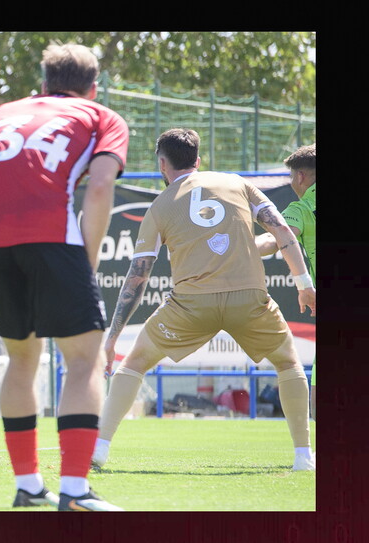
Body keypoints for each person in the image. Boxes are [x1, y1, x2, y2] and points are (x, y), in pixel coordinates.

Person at [0, 42, 128, 511]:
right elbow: (101, 185)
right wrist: (87, 257)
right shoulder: (102, 116)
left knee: (21, 359)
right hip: (51, 235)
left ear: (42, 83)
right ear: (93, 86)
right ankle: (75, 490)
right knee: (84, 361)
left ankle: (28, 485)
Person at [92, 129, 316, 473]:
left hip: (190, 306)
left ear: (162, 164)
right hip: (249, 300)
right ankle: (304, 456)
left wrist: (112, 338)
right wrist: (303, 285)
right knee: (288, 365)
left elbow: (138, 275)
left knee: (133, 362)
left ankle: (100, 448)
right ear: (199, 160)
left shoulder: (159, 206)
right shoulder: (237, 183)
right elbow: (283, 233)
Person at [255, 144, 315, 418]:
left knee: (317, 405)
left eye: (292, 176)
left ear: (300, 177)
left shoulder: (302, 207)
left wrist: (234, 249)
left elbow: (276, 239)